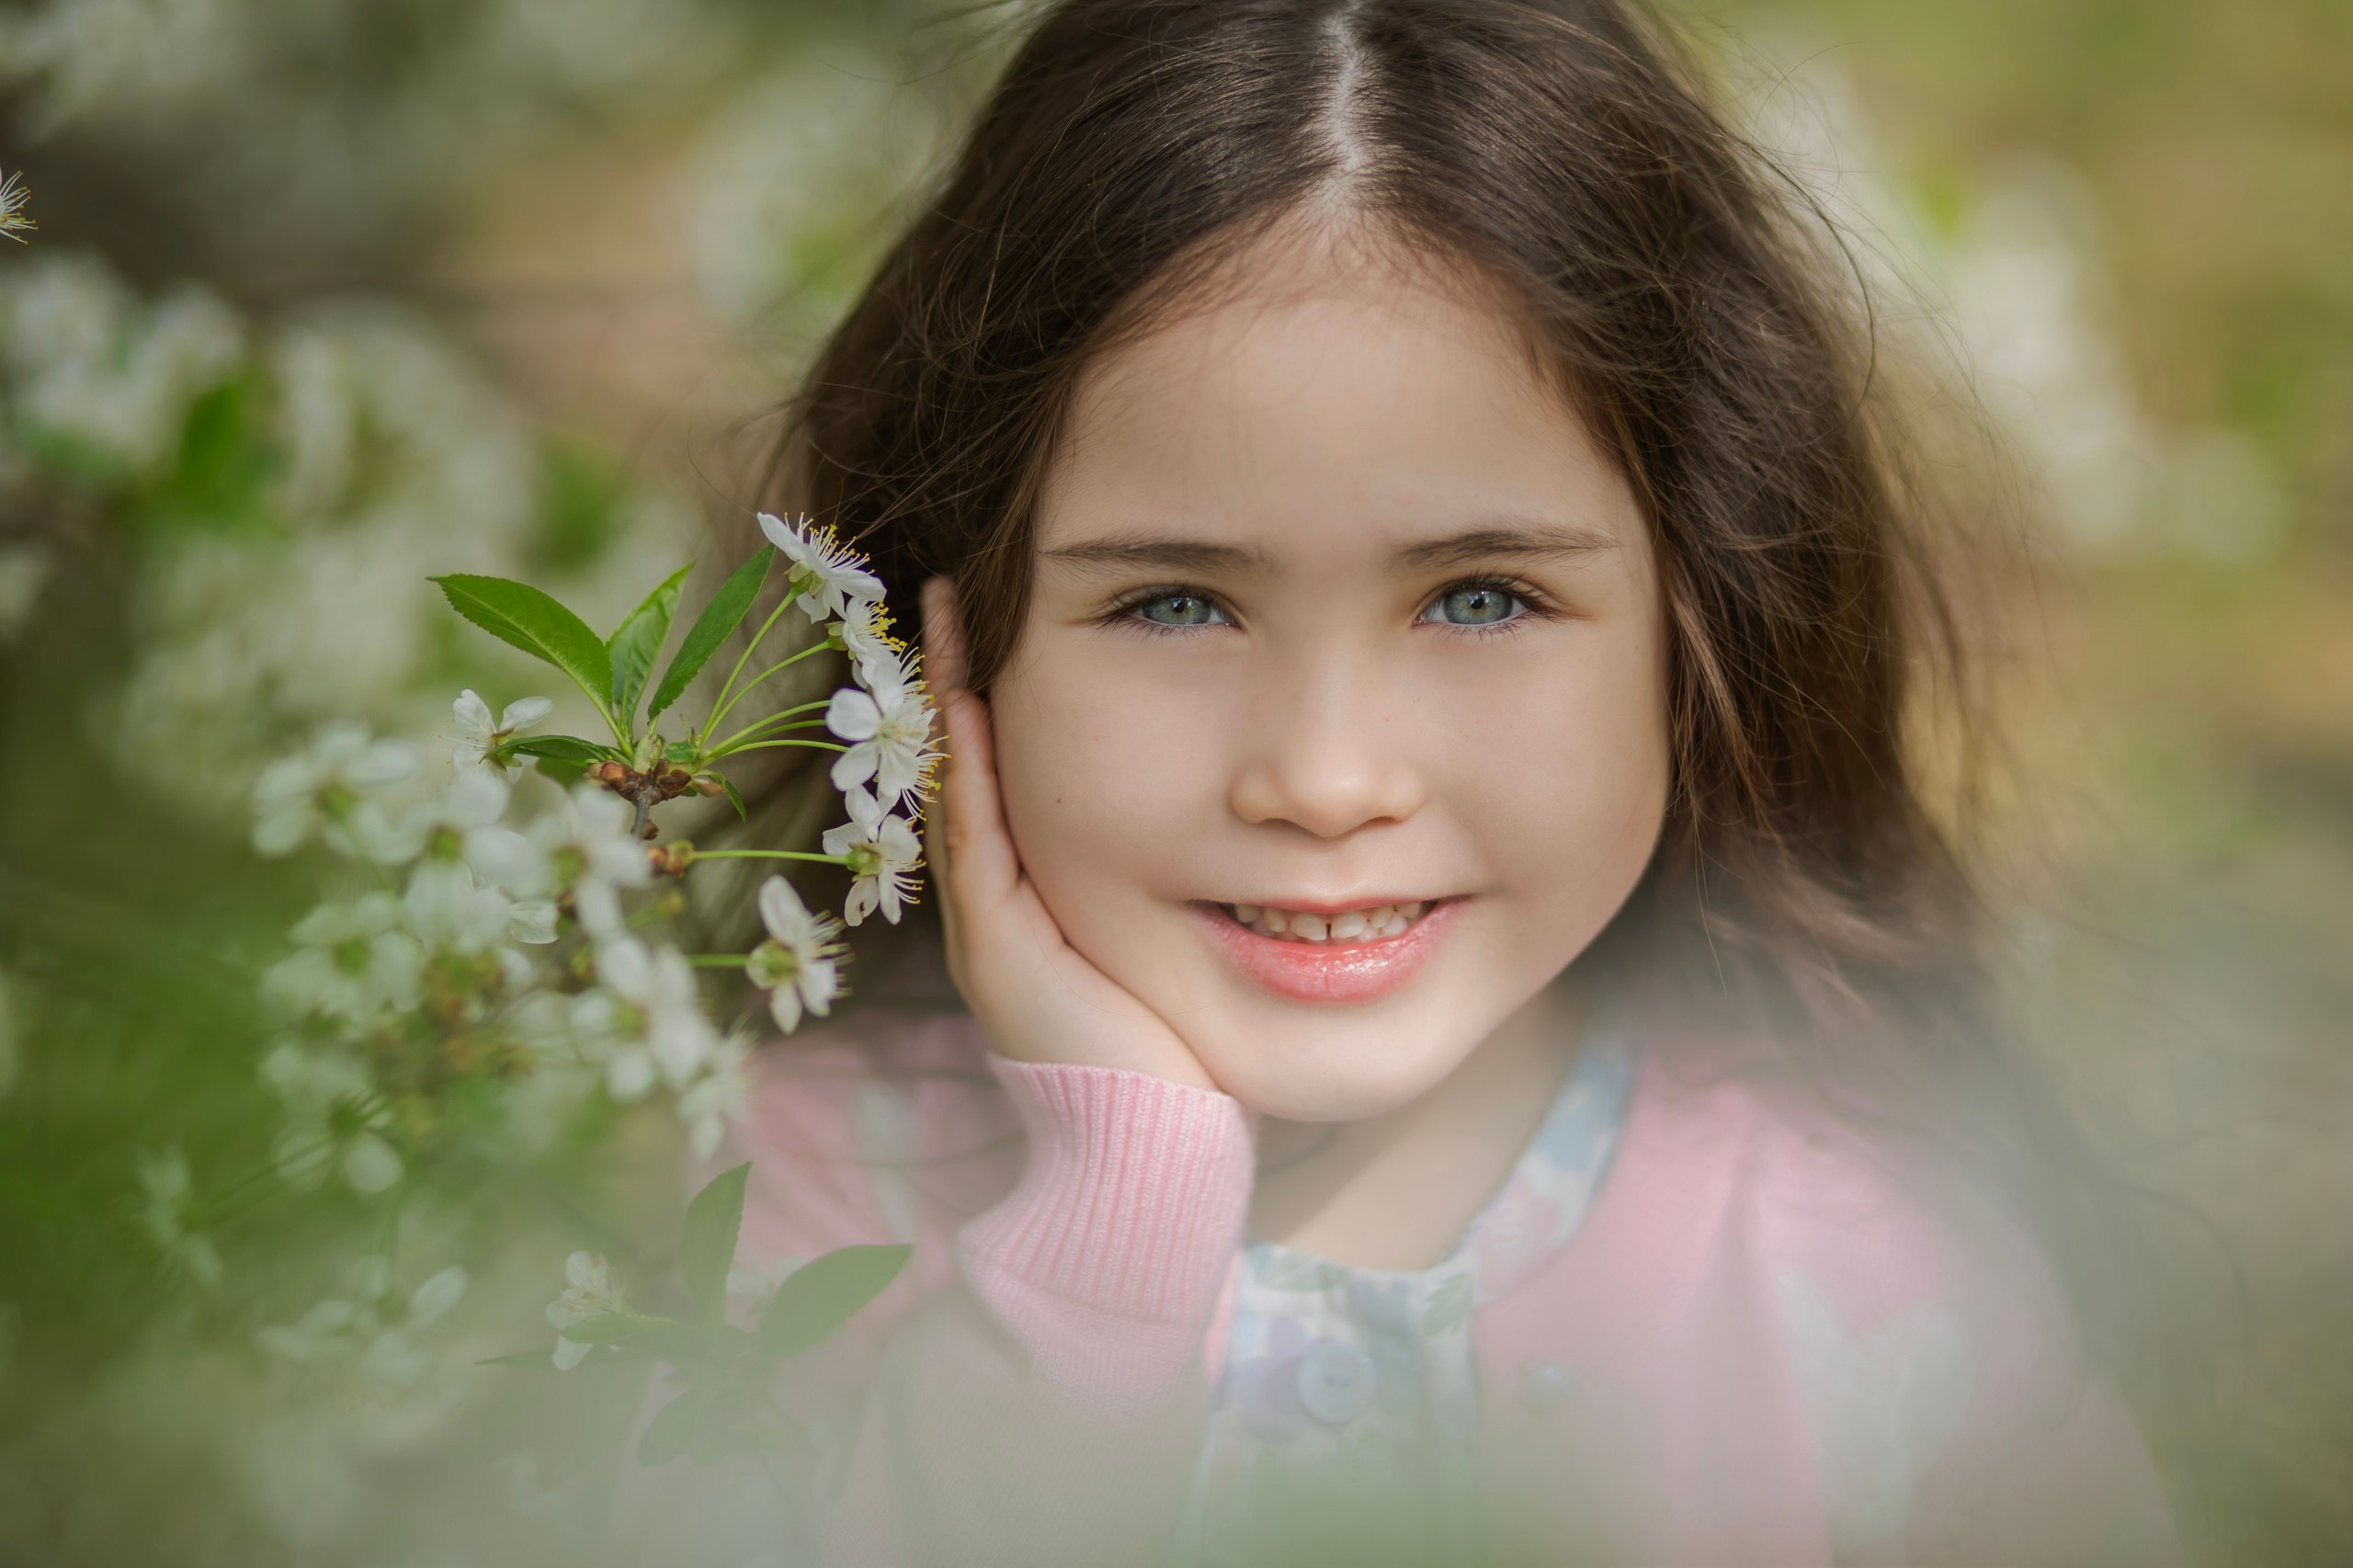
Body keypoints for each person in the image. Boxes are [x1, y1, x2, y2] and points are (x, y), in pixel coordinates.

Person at [692, 1, 2182, 1561]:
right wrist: (1105, 1233)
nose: (1326, 780)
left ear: (1703, 616)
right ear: (950, 644)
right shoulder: (804, 1200)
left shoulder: (1878, 1271)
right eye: (1174, 604)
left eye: (1481, 597)